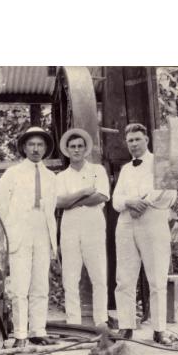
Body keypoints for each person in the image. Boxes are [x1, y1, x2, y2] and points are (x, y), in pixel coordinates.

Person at [112, 123, 177, 345]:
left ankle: (159, 330)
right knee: (124, 278)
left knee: (157, 278)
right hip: (126, 223)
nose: (134, 144)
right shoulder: (126, 169)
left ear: (147, 140)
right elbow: (116, 200)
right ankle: (126, 326)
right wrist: (129, 202)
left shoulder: (160, 164)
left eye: (138, 139)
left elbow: (166, 190)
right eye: (130, 140)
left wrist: (144, 202)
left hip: (152, 221)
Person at [0, 126, 57, 347]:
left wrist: (52, 241)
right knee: (20, 286)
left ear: (46, 148)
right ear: (23, 147)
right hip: (19, 233)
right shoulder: (12, 174)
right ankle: (20, 334)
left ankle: (38, 331)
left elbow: (52, 211)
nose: (36, 149)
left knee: (40, 284)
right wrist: (3, 239)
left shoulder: (51, 177)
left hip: (42, 231)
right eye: (31, 144)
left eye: (40, 145)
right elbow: (1, 209)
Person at [56, 128, 110, 327]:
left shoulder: (98, 170)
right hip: (70, 227)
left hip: (93, 225)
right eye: (72, 147)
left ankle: (101, 320)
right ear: (67, 150)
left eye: (80, 146)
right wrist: (84, 192)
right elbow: (59, 202)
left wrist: (74, 201)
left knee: (99, 274)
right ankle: (73, 322)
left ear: (85, 149)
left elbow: (102, 196)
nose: (76, 150)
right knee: (70, 276)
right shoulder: (61, 177)